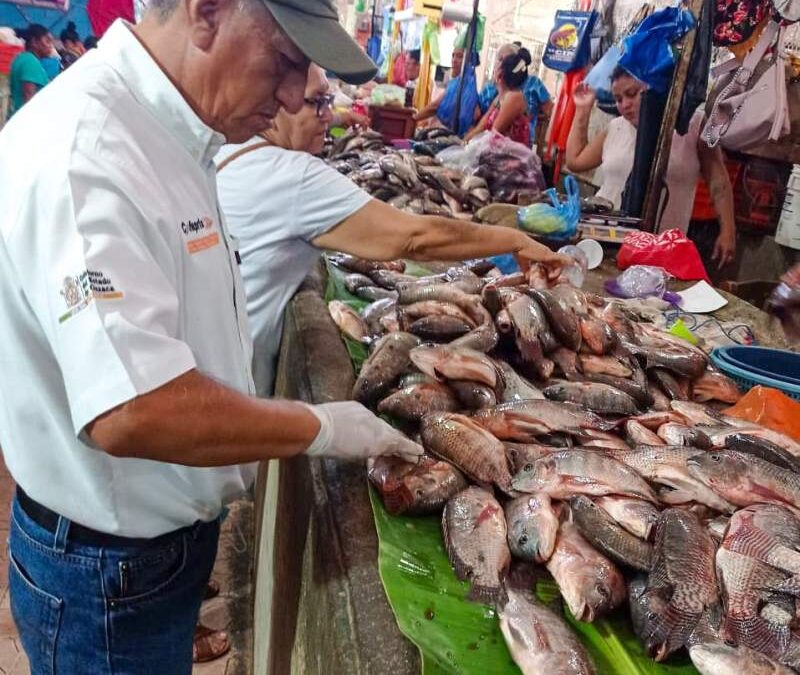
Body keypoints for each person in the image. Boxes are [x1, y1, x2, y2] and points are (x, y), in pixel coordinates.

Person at [0, 1, 423, 673]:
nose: (292, 96)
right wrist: (317, 427)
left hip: (153, 555)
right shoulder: (89, 154)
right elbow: (133, 407)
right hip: (106, 572)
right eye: (284, 62)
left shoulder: (177, 133)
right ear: (207, 11)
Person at [216, 63, 567, 398]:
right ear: (275, 102)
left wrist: (343, 115)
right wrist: (516, 240)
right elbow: (415, 238)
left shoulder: (236, 149)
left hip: (218, 362)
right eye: (317, 102)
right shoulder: (294, 175)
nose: (328, 113)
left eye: (329, 101)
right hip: (230, 388)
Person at [565, 66, 736, 268]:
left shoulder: (692, 126)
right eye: (619, 99)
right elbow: (575, 161)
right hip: (607, 242)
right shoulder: (616, 127)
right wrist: (583, 110)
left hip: (664, 248)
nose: (625, 105)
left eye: (632, 94)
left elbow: (718, 181)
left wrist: (728, 231)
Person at [479, 42, 553, 147]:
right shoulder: (491, 88)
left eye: (505, 60)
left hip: (514, 147)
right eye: (499, 59)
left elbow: (549, 110)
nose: (501, 64)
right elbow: (483, 119)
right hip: (490, 142)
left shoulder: (530, 86)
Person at [465, 47, 533, 145]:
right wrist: (463, 142)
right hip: (492, 151)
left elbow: (494, 134)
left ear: (501, 73)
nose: (496, 65)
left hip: (508, 157)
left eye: (500, 60)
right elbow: (481, 127)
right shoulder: (500, 96)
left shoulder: (514, 97)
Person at [7, 24, 52, 117]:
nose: (51, 46)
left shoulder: (23, 58)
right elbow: (28, 97)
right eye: (47, 41)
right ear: (34, 42)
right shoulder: (30, 62)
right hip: (26, 123)